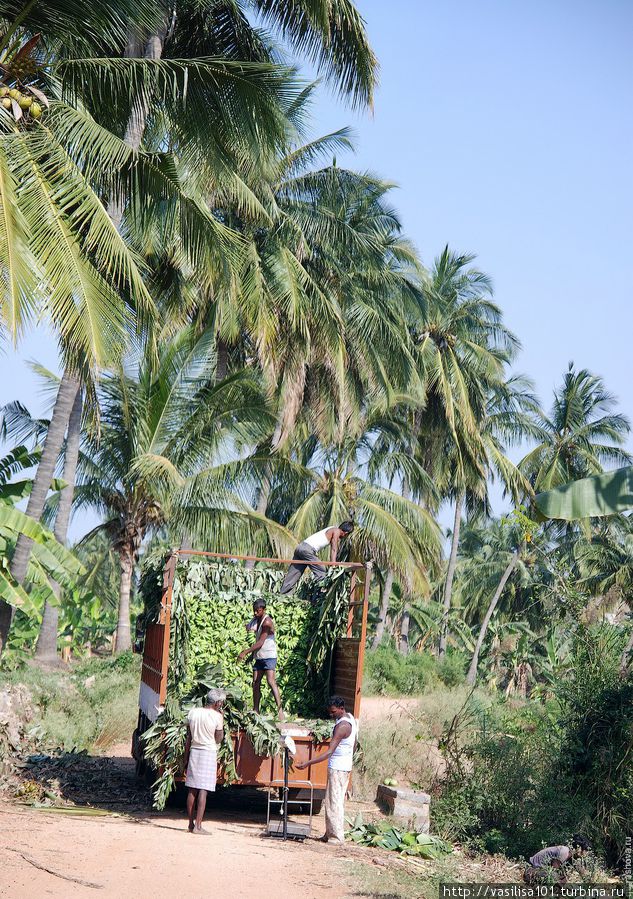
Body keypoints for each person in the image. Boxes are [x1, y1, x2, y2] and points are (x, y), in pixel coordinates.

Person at [294, 695, 357, 844]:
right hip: (344, 766)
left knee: (334, 802)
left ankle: (336, 837)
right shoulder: (350, 718)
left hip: (338, 768)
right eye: (329, 712)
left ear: (341, 708)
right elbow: (354, 744)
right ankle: (329, 833)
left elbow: (329, 751)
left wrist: (308, 763)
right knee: (332, 800)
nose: (331, 715)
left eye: (333, 712)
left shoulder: (342, 727)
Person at [184, 688, 225, 834]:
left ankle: (190, 824)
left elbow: (188, 737)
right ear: (217, 703)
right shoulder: (217, 717)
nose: (222, 705)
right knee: (203, 790)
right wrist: (222, 720)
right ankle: (198, 826)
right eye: (221, 702)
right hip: (208, 752)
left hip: (194, 751)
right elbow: (218, 738)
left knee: (192, 789)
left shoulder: (193, 712)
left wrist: (185, 757)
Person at [238, 599, 284, 720]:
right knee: (255, 682)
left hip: (269, 655)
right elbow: (249, 629)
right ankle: (256, 710)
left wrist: (246, 652)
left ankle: (280, 711)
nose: (255, 613)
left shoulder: (267, 622)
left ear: (263, 610)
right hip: (259, 656)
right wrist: (251, 656)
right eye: (254, 611)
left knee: (271, 681)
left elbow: (261, 642)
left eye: (258, 611)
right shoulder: (256, 619)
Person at [280, 521, 354, 594]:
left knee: (294, 574)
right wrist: (333, 565)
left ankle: (283, 595)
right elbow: (334, 549)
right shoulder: (336, 531)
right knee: (321, 570)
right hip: (307, 550)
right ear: (346, 533)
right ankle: (320, 595)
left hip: (300, 547)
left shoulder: (332, 528)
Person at [523, 834, 591, 883]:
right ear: (579, 848)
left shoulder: (572, 856)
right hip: (531, 870)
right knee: (555, 876)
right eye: (586, 850)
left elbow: (582, 872)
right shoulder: (564, 852)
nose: (587, 853)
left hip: (540, 871)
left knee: (563, 877)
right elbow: (553, 871)